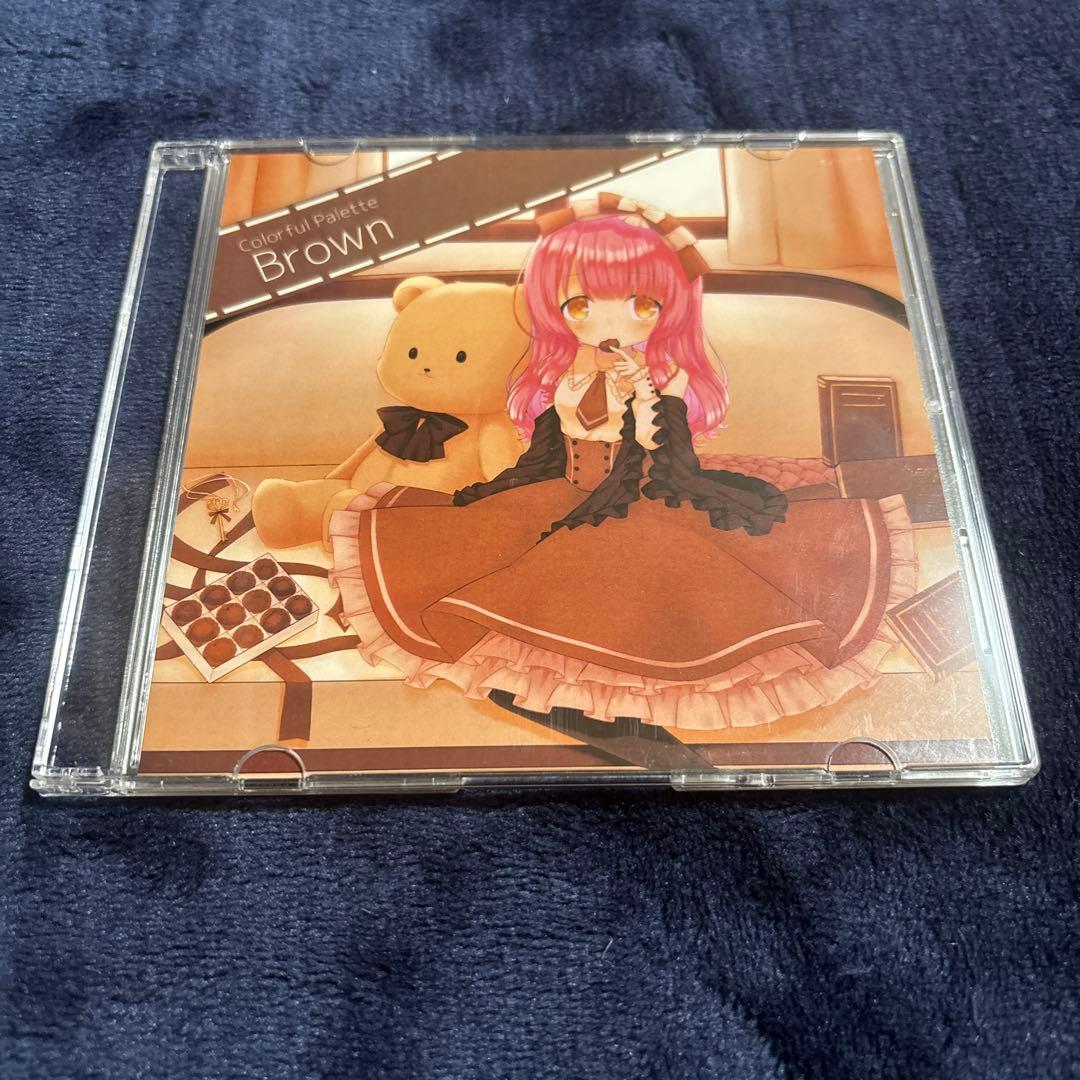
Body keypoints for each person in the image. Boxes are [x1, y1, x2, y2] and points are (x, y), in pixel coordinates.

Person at [329, 194, 916, 730]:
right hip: (558, 494)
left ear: (670, 307)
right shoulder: (562, 372)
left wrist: (645, 396)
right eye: (580, 304)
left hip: (642, 500)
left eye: (641, 304)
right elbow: (544, 450)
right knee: (470, 552)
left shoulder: (668, 379)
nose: (608, 322)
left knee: (645, 576)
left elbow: (668, 456)